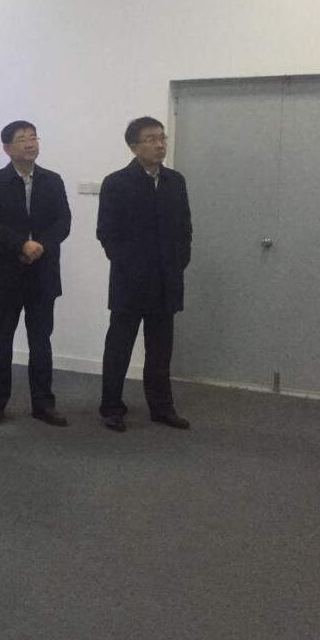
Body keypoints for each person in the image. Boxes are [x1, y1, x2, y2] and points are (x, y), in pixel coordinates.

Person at [96, 116, 193, 432]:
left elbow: (185, 228)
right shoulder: (116, 183)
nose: (159, 144)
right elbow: (107, 233)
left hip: (167, 280)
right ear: (133, 146)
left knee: (160, 350)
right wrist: (131, 266)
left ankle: (162, 408)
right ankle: (111, 407)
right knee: (119, 347)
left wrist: (178, 262)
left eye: (162, 137)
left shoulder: (175, 181)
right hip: (130, 281)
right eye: (151, 139)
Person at [0, 120, 72, 427]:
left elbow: (63, 222)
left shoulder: (52, 180)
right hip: (7, 271)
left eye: (33, 137)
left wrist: (39, 246)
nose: (30, 143)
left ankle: (43, 404)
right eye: (22, 139)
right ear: (7, 148)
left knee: (41, 341)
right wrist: (21, 244)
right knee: (1, 340)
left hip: (43, 271)